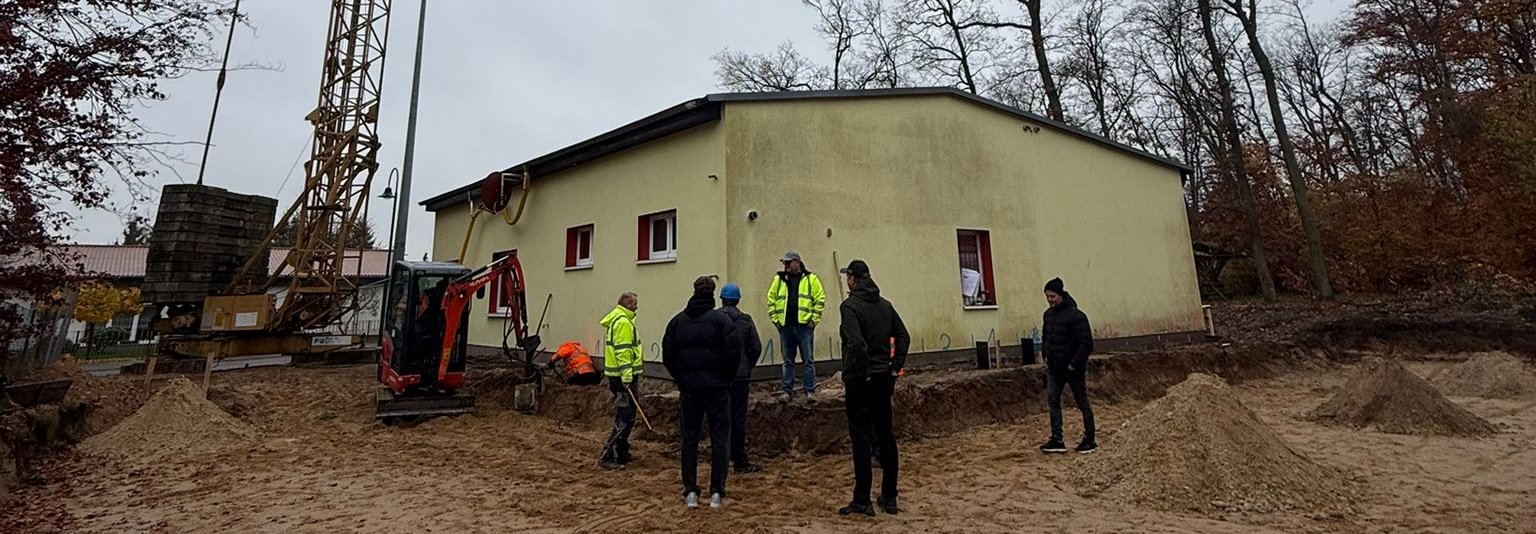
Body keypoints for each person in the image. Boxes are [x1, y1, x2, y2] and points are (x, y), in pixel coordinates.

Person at [835, 260, 909, 516]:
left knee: (860, 437)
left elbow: (856, 343)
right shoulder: (885, 305)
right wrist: (895, 367)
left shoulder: (850, 307)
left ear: (852, 279)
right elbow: (903, 336)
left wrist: (862, 372)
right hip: (884, 378)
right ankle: (889, 497)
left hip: (860, 379)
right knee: (886, 435)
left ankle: (862, 500)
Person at [662, 276, 742, 509]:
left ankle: (690, 492)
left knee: (690, 439)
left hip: (690, 389)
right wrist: (725, 379)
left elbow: (668, 354)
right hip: (717, 389)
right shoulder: (722, 322)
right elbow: (733, 354)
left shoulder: (677, 322)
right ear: (713, 294)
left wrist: (681, 378)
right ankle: (716, 492)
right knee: (719, 439)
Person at [1039, 277, 1097, 455]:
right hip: (1055, 368)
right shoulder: (1048, 315)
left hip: (1073, 370)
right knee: (1053, 401)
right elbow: (1046, 337)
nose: (1050, 300)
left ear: (1061, 295)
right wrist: (1045, 353)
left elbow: (1086, 343)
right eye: (1047, 296)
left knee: (1082, 403)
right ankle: (1057, 440)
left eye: (1052, 296)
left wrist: (1073, 364)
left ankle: (1090, 440)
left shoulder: (1076, 316)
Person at [766, 251, 826, 402]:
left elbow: (820, 299)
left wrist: (813, 320)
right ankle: (788, 391)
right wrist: (776, 320)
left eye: (788, 262)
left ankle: (810, 391)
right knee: (788, 361)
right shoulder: (779, 280)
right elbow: (771, 300)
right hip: (786, 327)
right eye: (784, 263)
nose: (785, 265)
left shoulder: (811, 279)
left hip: (804, 327)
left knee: (808, 360)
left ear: (797, 262)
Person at [717, 282, 764, 474]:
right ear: (737, 300)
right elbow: (756, 347)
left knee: (720, 417)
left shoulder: (713, 320)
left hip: (719, 377)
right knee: (738, 417)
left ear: (722, 299)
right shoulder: (745, 320)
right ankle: (739, 460)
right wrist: (748, 366)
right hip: (740, 376)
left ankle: (721, 458)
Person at [598, 292, 643, 470]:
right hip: (623, 378)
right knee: (625, 416)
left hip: (618, 376)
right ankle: (609, 454)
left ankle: (621, 451)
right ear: (628, 305)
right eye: (635, 303)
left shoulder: (618, 320)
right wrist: (627, 376)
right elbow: (623, 351)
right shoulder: (623, 322)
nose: (637, 307)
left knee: (627, 414)